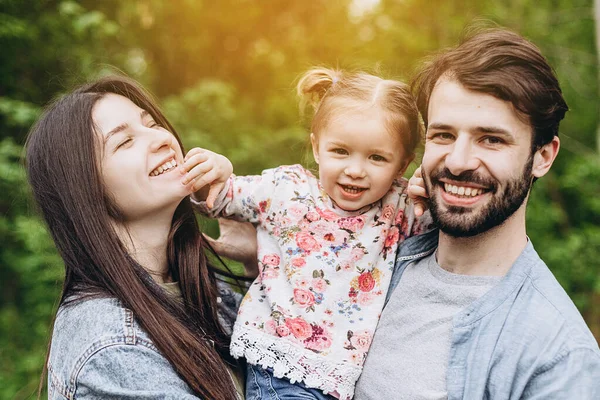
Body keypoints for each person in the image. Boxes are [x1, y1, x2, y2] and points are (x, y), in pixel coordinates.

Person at [353, 27, 600, 398]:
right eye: (444, 135)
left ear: (543, 156)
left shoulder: (559, 357)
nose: (458, 161)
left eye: (492, 139)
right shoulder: (374, 257)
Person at [179, 68, 430, 399]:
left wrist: (432, 187)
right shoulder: (288, 189)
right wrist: (215, 172)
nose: (355, 169)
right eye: (340, 151)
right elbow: (219, 199)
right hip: (280, 363)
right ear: (316, 147)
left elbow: (443, 227)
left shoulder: (398, 206)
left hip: (344, 375)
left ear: (401, 165)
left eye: (376, 158)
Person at [26, 76, 250, 399]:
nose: (161, 138)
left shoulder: (202, 291)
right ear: (86, 191)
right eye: (124, 142)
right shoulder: (109, 342)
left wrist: (260, 265)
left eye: (150, 123)